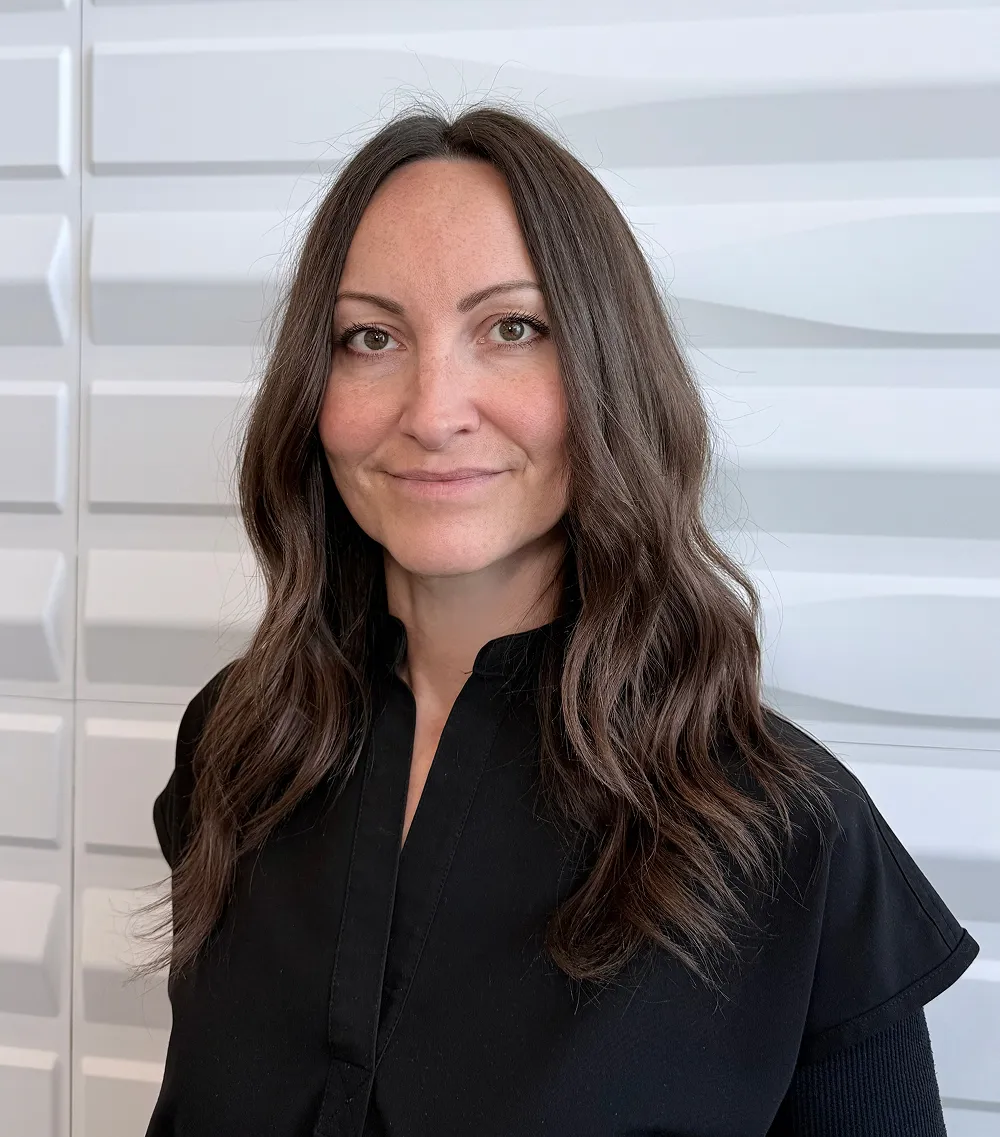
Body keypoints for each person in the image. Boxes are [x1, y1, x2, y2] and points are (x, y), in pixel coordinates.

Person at [140, 100, 978, 1136]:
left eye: (511, 329)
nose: (433, 409)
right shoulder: (239, 745)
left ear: (604, 376)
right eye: (369, 337)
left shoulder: (785, 833)